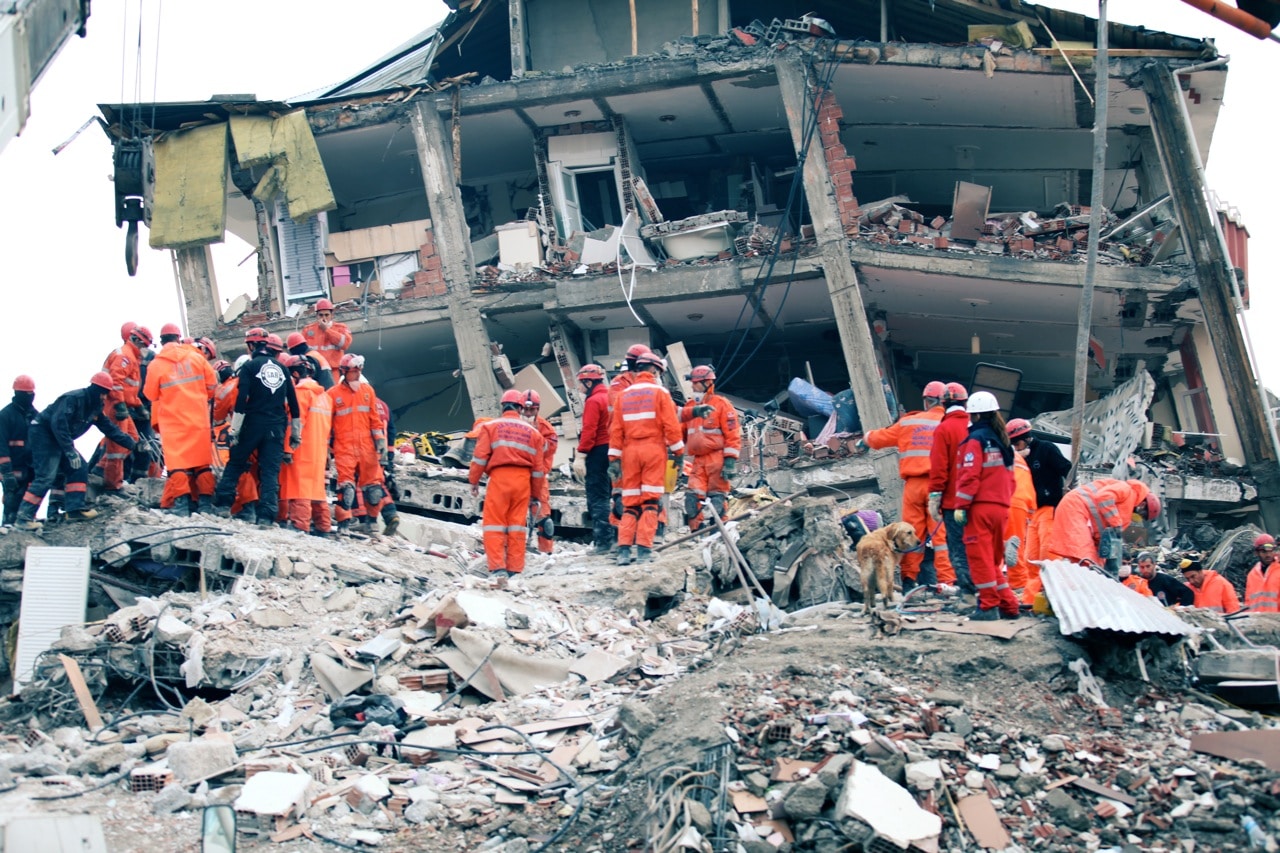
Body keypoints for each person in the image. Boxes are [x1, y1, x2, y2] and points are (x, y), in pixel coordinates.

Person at [859, 380, 952, 590]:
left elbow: (878, 438)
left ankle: (910, 579)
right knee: (942, 536)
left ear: (926, 402)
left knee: (910, 535)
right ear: (944, 402)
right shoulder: (949, 423)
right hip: (938, 487)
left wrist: (865, 438)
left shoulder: (909, 423)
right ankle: (947, 582)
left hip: (913, 487)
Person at [15, 373, 136, 530]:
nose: (104, 397)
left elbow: (109, 428)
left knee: (79, 468)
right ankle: (23, 518)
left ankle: (74, 509)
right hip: (44, 435)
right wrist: (69, 450)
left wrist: (132, 443)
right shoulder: (73, 399)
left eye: (105, 393)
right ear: (95, 389)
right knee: (46, 475)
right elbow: (58, 424)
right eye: (102, 392)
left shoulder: (95, 408)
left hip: (60, 439)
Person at [212, 332, 301, 527]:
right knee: (270, 472)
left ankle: (222, 506)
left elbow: (241, 400)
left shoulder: (249, 367)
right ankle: (266, 517)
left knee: (236, 463)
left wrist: (234, 430)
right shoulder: (282, 369)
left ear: (252, 347)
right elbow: (293, 404)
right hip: (276, 427)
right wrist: (296, 433)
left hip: (252, 423)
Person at [609, 351, 684, 565]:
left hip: (629, 452)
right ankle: (643, 550)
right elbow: (671, 426)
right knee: (650, 501)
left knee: (630, 502)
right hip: (653, 450)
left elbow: (616, 430)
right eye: (659, 371)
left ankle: (624, 550)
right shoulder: (660, 393)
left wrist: (614, 459)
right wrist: (679, 453)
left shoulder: (624, 395)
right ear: (653, 370)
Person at [952, 391, 1020, 620]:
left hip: (980, 508)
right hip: (1001, 508)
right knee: (992, 560)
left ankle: (988, 606)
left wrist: (961, 505)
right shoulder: (1004, 444)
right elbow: (1011, 480)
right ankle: (1009, 605)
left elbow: (970, 476)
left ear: (975, 415)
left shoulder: (975, 440)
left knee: (980, 559)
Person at [470, 389, 545, 588]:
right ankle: (515, 569)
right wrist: (535, 495)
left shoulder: (490, 427)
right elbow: (539, 471)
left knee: (494, 524)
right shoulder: (535, 434)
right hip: (523, 482)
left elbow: (479, 457)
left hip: (499, 479)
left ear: (502, 406)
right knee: (517, 525)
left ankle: (497, 568)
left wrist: (474, 481)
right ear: (521, 408)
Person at [143, 323, 218, 515]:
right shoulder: (196, 358)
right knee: (202, 464)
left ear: (161, 342)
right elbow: (212, 386)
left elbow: (150, 394)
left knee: (177, 466)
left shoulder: (156, 365)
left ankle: (181, 507)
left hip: (173, 423)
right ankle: (205, 505)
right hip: (198, 420)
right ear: (178, 338)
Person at [327, 353, 400, 535]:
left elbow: (375, 421)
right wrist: (327, 450)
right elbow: (327, 425)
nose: (357, 375)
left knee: (374, 489)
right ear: (344, 372)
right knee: (347, 489)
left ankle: (372, 523)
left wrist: (380, 442)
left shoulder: (368, 392)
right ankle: (344, 525)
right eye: (354, 372)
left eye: (359, 371)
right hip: (345, 448)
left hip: (367, 448)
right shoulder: (333, 395)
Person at [679, 365, 742, 534]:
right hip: (698, 462)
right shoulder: (690, 407)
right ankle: (696, 535)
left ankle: (718, 535)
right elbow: (680, 434)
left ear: (708, 383)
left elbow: (733, 434)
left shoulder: (722, 405)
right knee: (692, 499)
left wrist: (729, 462)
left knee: (717, 500)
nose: (693, 387)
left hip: (717, 460)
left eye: (696, 383)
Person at [1048, 478, 1161, 568]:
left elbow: (1104, 536)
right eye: (1143, 515)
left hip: (1083, 515)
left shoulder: (1126, 514)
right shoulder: (1126, 489)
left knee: (1095, 564)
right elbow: (1104, 497)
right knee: (1084, 558)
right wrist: (1116, 523)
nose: (1140, 517)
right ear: (1143, 505)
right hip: (1076, 507)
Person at [928, 382, 973, 592]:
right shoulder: (976, 426)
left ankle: (967, 593)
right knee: (979, 546)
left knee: (958, 547)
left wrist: (935, 496)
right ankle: (986, 590)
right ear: (965, 402)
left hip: (953, 503)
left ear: (943, 403)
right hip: (978, 501)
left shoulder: (944, 429)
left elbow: (939, 467)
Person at [281, 355, 333, 536]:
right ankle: (323, 527)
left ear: (295, 373)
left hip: (301, 448)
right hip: (319, 451)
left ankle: (299, 525)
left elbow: (295, 423)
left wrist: (287, 448)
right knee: (317, 491)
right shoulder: (325, 397)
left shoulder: (301, 392)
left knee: (299, 488)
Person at [575, 364, 612, 554]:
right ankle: (616, 539)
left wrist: (581, 455)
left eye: (582, 384)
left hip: (597, 451)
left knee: (598, 497)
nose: (580, 389)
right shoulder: (611, 397)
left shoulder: (594, 401)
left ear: (589, 382)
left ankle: (603, 542)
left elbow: (589, 430)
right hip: (613, 451)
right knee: (610, 494)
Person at [519, 390, 558, 554]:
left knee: (544, 520)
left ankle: (546, 552)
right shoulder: (512, 425)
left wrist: (533, 440)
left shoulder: (545, 429)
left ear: (538, 409)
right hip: (519, 476)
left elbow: (549, 448)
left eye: (532, 410)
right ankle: (516, 550)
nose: (528, 413)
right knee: (516, 517)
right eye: (526, 410)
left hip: (539, 478)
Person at [1003, 418, 1037, 593]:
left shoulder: (999, 453)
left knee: (1004, 545)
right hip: (1020, 505)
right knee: (1015, 545)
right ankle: (1017, 583)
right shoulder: (1020, 460)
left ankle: (1015, 583)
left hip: (1004, 501)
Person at [0, 376, 39, 526]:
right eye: (26, 394)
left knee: (29, 499)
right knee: (12, 497)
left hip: (30, 467)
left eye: (31, 394)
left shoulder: (35, 416)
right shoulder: (5, 416)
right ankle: (8, 525)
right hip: (12, 467)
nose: (29, 397)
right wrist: (6, 472)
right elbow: (1, 446)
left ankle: (25, 522)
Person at [301, 298, 353, 382]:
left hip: (333, 370)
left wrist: (327, 330)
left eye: (326, 315)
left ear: (332, 315)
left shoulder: (340, 328)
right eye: (321, 315)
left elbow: (345, 344)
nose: (324, 318)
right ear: (316, 315)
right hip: (314, 372)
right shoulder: (308, 330)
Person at [1244, 534, 1280, 613]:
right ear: (1256, 553)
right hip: (1258, 623)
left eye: (1271, 551)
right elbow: (1248, 603)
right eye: (1264, 551)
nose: (1268, 555)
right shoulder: (1252, 575)